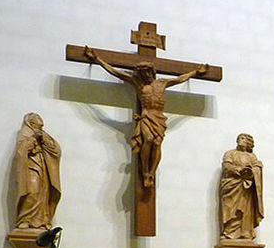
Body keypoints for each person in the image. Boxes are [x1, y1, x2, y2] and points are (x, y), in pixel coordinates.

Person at [83, 46, 208, 187]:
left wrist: (195, 72)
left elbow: (180, 79)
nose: (146, 76)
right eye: (143, 74)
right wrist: (97, 59)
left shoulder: (162, 83)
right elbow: (115, 72)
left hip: (159, 118)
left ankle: (151, 173)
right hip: (146, 117)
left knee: (157, 143)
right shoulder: (138, 84)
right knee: (148, 139)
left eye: (148, 73)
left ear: (152, 72)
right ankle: (144, 170)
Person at [14, 113, 61, 229]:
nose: (39, 128)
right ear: (31, 123)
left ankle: (42, 221)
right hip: (30, 168)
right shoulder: (25, 134)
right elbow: (21, 151)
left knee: (44, 193)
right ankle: (25, 219)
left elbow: (56, 150)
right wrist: (33, 139)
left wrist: (43, 138)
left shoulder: (43, 134)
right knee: (32, 191)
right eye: (37, 125)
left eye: (41, 126)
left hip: (43, 168)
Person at [220, 133, 264, 239]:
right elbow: (226, 165)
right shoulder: (230, 153)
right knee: (230, 208)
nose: (240, 140)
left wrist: (252, 171)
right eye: (239, 138)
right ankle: (229, 232)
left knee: (245, 210)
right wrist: (238, 170)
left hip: (246, 187)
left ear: (248, 143)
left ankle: (245, 232)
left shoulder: (251, 156)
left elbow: (257, 166)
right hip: (232, 185)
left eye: (243, 138)